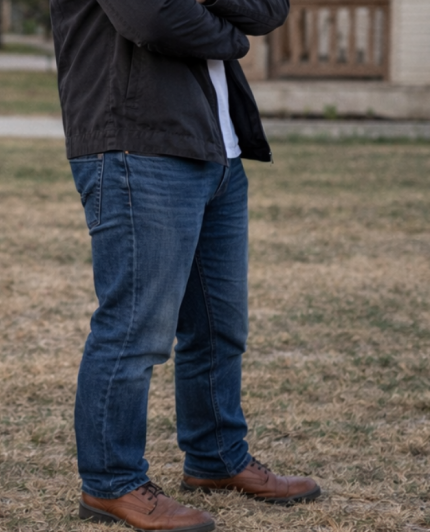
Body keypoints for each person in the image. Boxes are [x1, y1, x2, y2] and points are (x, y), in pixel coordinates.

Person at [49, 0, 320, 530]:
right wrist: (234, 39)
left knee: (220, 326)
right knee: (135, 329)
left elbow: (268, 10)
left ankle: (217, 457)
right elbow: (151, 19)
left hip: (218, 149)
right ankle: (111, 483)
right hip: (136, 146)